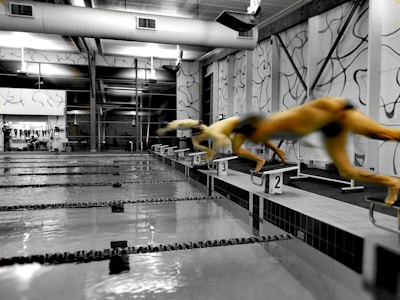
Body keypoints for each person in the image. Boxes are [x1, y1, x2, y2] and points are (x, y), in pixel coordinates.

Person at [229, 96, 400, 207]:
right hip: (328, 127)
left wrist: (350, 119)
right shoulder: (269, 129)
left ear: (257, 128)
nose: (255, 141)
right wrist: (279, 151)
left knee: (382, 134)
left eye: (252, 137)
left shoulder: (283, 121)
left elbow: (322, 106)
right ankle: (392, 183)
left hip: (338, 113)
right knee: (347, 171)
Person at [156, 118, 285, 172]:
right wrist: (166, 128)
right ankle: (278, 151)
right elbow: (179, 123)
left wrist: (210, 157)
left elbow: (220, 143)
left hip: (238, 125)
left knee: (236, 150)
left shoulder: (211, 132)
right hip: (238, 124)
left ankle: (260, 160)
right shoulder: (198, 126)